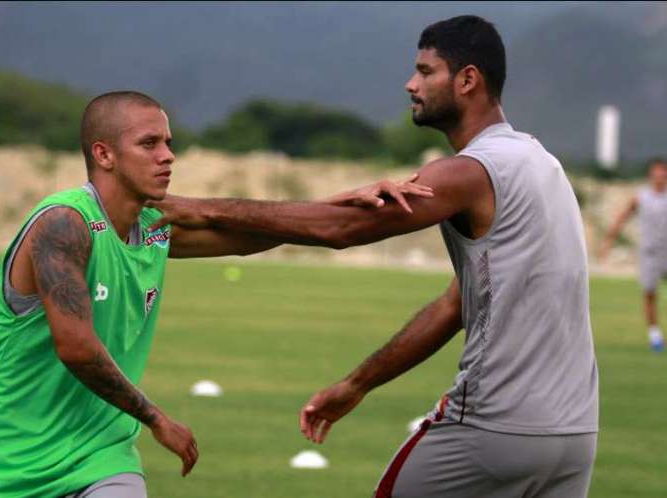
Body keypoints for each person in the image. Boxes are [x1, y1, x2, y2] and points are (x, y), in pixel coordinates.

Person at [154, 15, 599, 498]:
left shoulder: (471, 171)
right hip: (573, 436)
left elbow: (342, 229)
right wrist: (357, 384)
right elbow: (455, 305)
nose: (411, 84)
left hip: (494, 424)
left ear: (468, 79)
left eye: (426, 72)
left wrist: (196, 205)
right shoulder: (542, 164)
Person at [0, 90, 430, 498]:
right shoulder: (64, 224)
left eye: (168, 142)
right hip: (10, 462)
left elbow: (250, 235)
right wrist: (156, 418)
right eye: (149, 144)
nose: (168, 155)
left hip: (100, 457)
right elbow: (77, 347)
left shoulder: (152, 230)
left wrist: (348, 199)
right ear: (104, 155)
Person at [599, 157, 667, 352]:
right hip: (650, 253)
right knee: (650, 293)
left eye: (663, 174)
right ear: (651, 176)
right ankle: (655, 336)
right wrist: (608, 241)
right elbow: (622, 218)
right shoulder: (641, 198)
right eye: (657, 174)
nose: (660, 177)